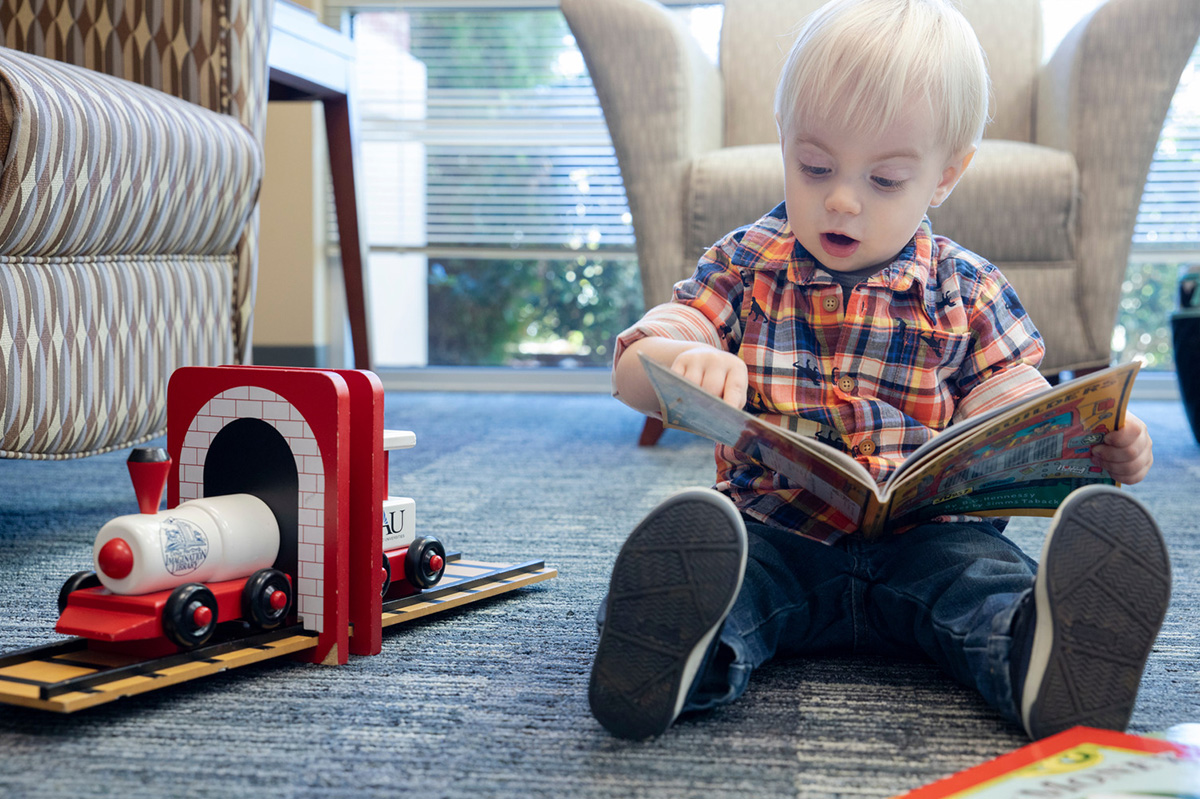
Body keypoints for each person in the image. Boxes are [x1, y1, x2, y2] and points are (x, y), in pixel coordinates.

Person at [590, 0, 1169, 742]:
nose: (841, 197)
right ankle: (671, 650)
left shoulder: (968, 288)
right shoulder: (745, 262)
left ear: (944, 176)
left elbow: (1020, 407)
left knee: (987, 584)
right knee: (727, 579)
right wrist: (679, 360)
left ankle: (1046, 662)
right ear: (784, 141)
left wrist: (1097, 442)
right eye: (815, 165)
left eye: (886, 179)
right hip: (779, 535)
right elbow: (632, 368)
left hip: (932, 544)